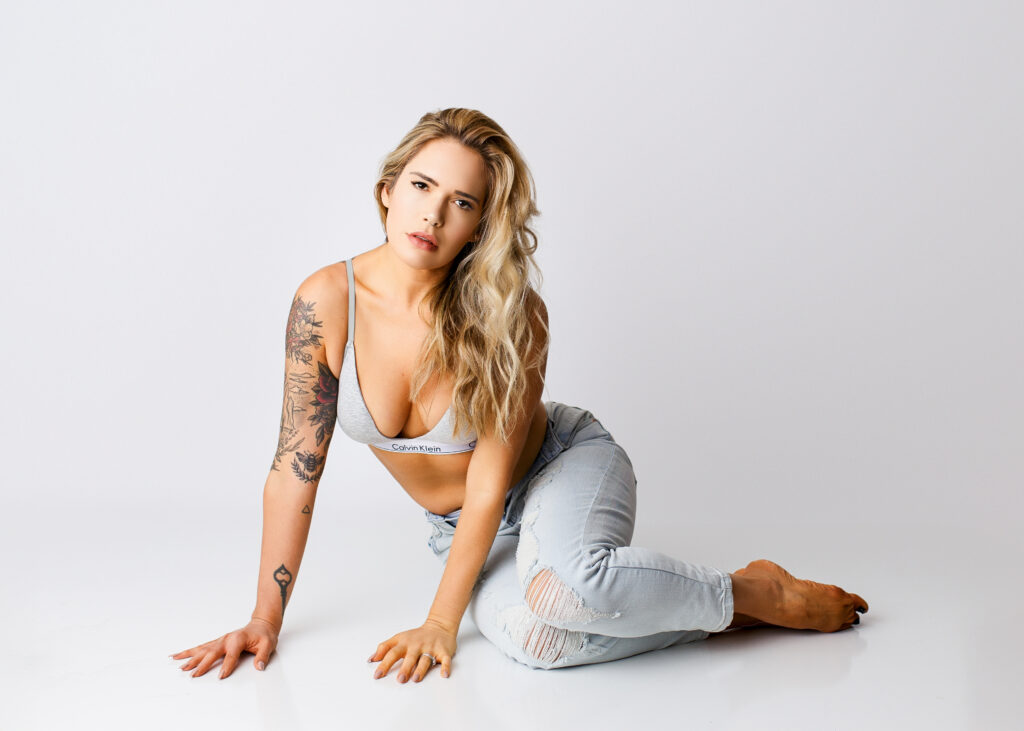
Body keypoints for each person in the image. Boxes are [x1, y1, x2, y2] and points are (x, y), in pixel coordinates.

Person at [171, 107, 868, 683]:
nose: (432, 214)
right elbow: (294, 469)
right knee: (540, 641)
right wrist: (265, 617)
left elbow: (488, 483)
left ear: (481, 223)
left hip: (561, 466)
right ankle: (740, 609)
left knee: (567, 589)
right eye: (420, 186)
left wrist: (440, 622)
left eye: (462, 202)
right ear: (387, 189)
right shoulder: (326, 303)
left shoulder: (509, 312)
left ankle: (755, 591)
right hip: (461, 526)